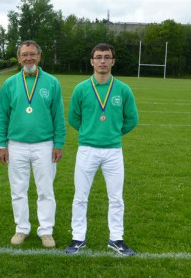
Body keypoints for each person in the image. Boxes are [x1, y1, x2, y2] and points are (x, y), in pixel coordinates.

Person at [65, 43, 139, 256]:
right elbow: (74, 117)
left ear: (113, 61)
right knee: (80, 196)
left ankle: (116, 238)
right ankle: (78, 238)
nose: (103, 61)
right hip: (87, 149)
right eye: (99, 57)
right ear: (92, 61)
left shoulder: (123, 89)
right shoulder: (81, 88)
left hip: (113, 151)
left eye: (107, 57)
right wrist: (90, 132)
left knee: (116, 197)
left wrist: (113, 133)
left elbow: (132, 119)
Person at [0, 40, 66, 248]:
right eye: (24, 55)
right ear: (18, 58)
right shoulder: (10, 83)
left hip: (44, 144)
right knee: (18, 189)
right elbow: (2, 117)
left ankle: (46, 231)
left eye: (32, 54)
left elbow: (58, 116)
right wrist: (1, 144)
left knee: (45, 190)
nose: (28, 58)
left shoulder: (52, 82)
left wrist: (58, 143)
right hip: (15, 144)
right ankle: (22, 228)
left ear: (39, 56)